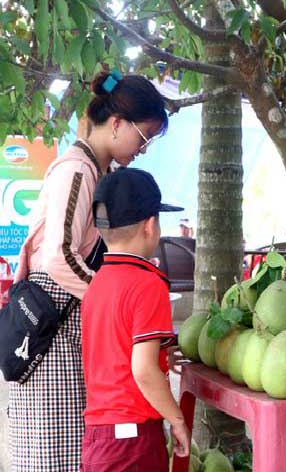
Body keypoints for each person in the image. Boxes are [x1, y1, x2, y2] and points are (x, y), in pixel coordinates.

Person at [9, 70, 168, 471]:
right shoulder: (76, 171)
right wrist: (113, 302)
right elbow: (56, 256)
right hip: (52, 332)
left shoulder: (100, 173)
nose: (144, 149)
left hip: (67, 323)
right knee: (55, 454)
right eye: (144, 137)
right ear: (117, 124)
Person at [81, 167, 189, 471]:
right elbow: (142, 370)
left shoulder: (96, 284)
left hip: (98, 438)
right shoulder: (148, 284)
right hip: (134, 443)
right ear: (151, 225)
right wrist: (176, 419)